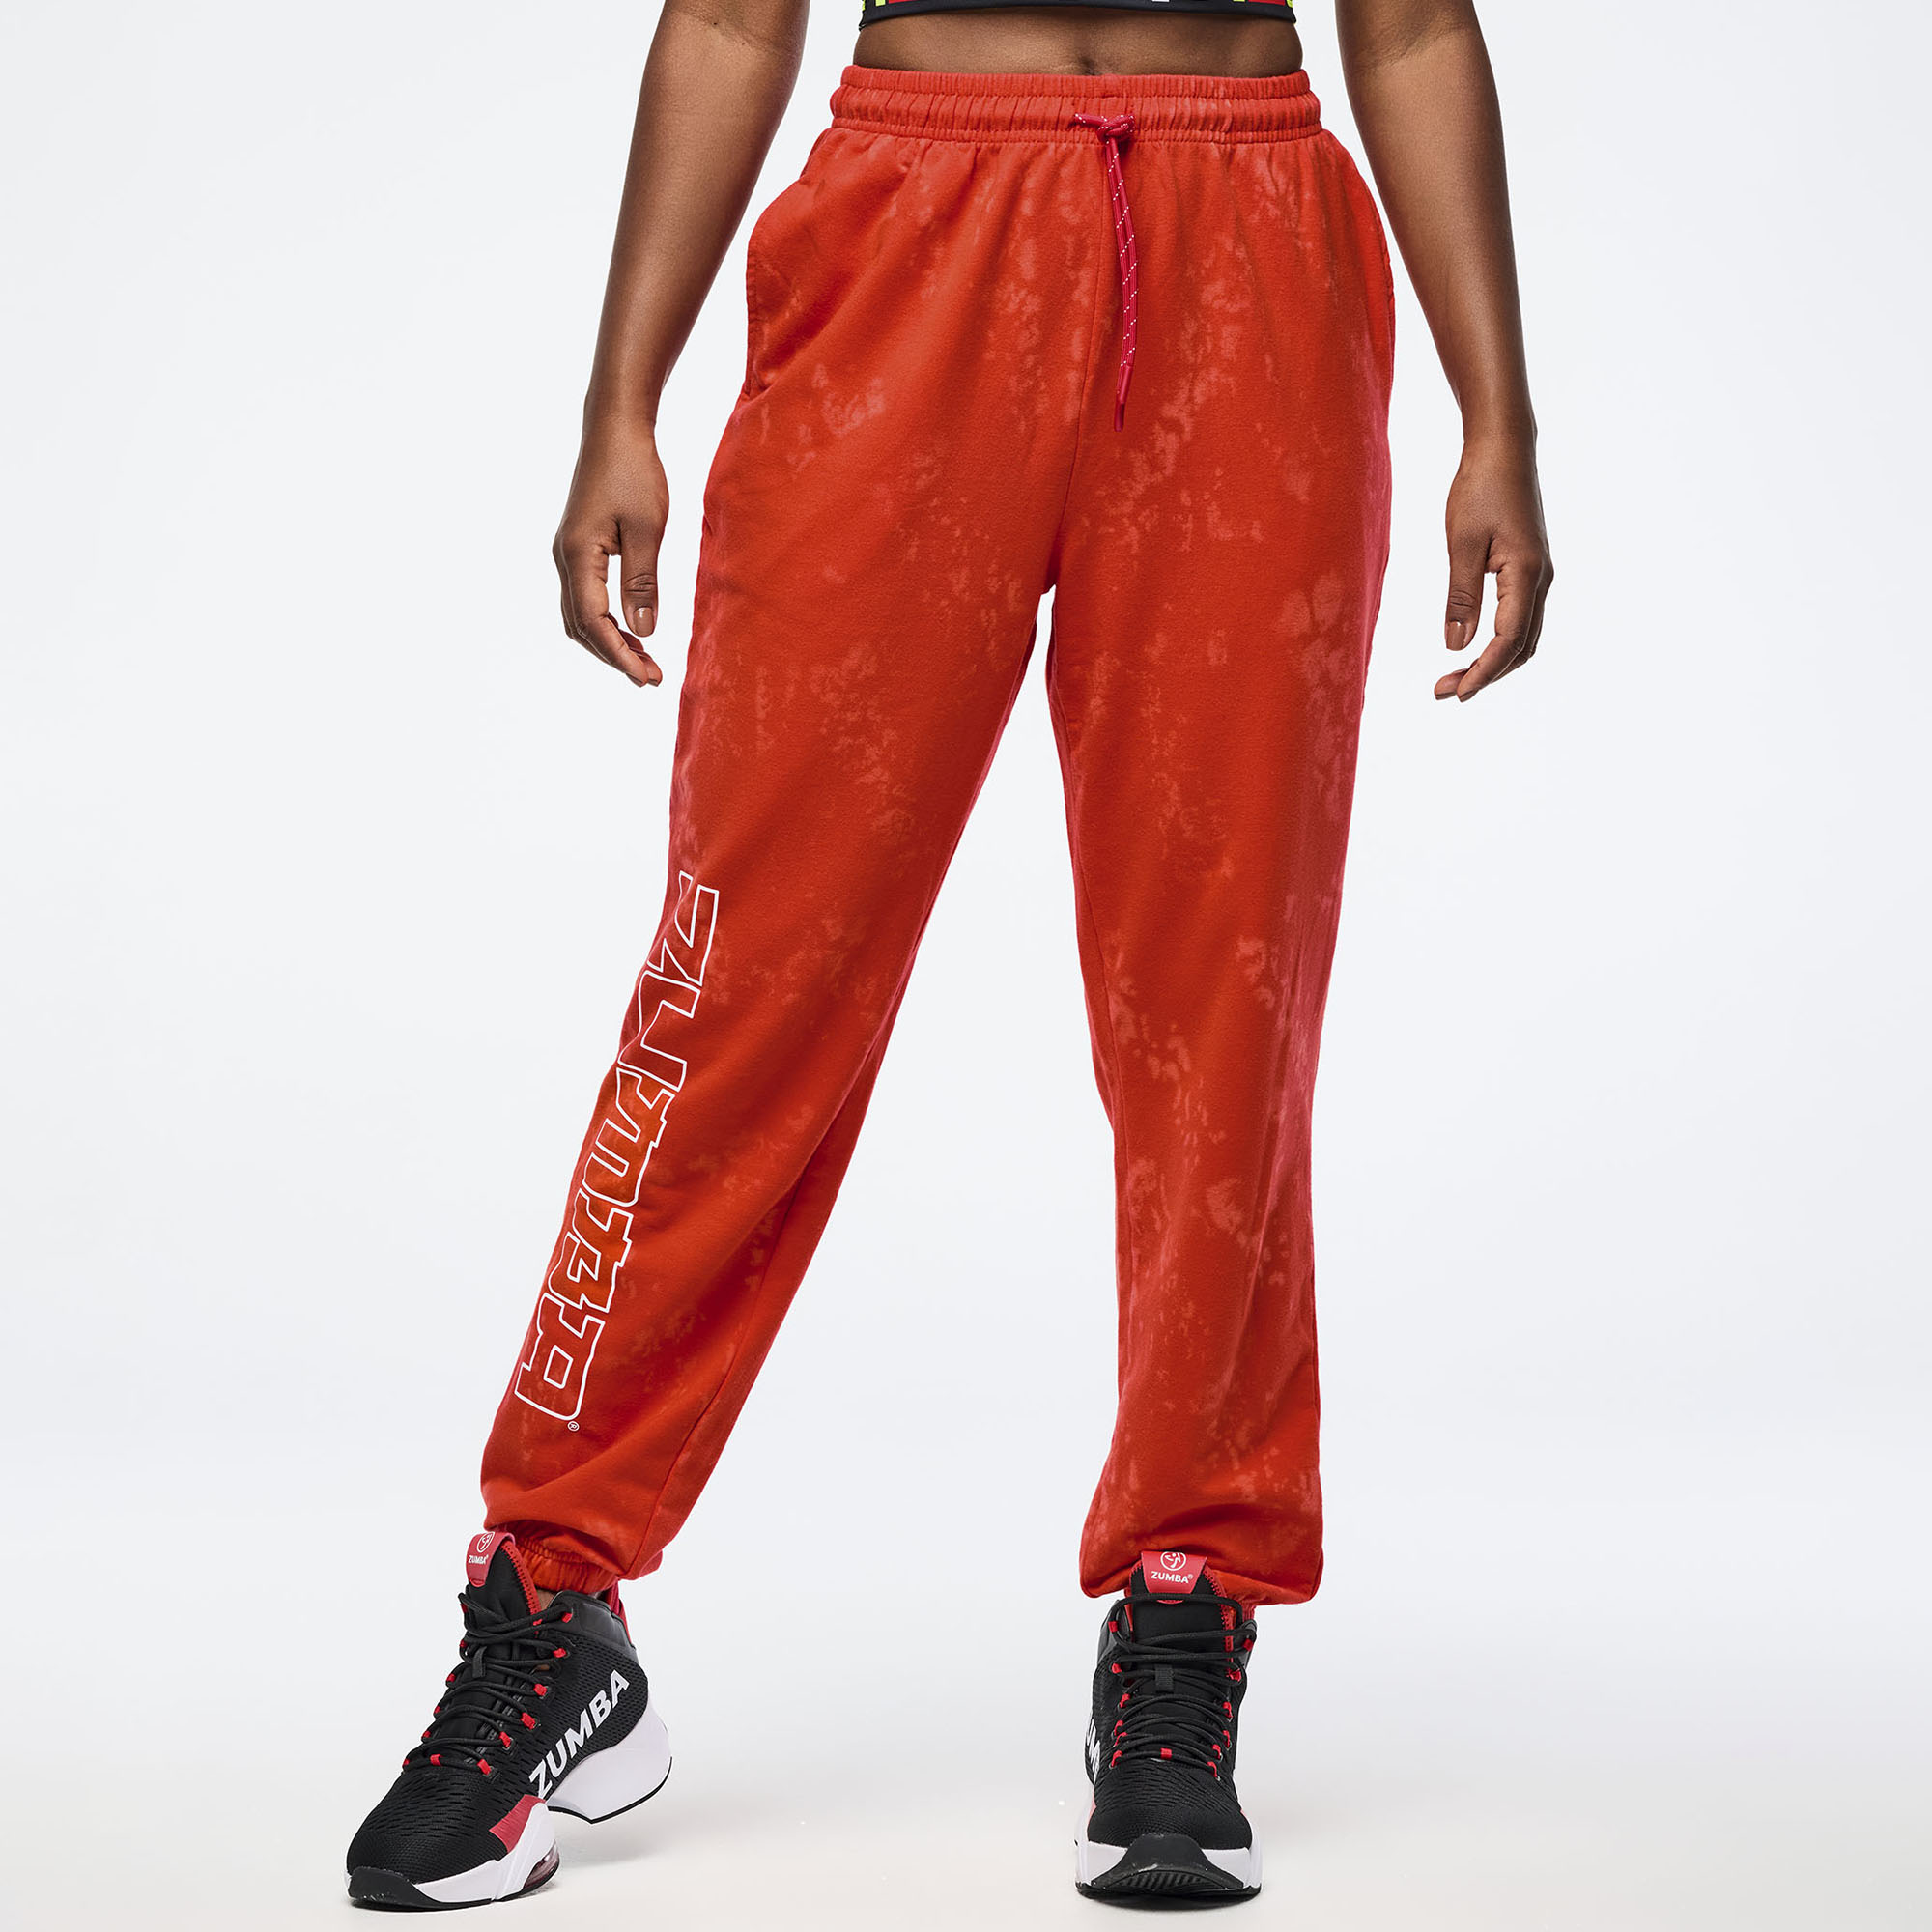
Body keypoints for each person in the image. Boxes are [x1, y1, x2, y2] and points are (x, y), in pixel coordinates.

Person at [345, 0, 1551, 1908]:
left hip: (1250, 246)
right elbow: (731, 13)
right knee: (742, 983)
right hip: (909, 219)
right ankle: (552, 1598)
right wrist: (619, 401)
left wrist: (1503, 419)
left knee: (1221, 1009)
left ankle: (1186, 1601)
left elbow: (1404, 26)